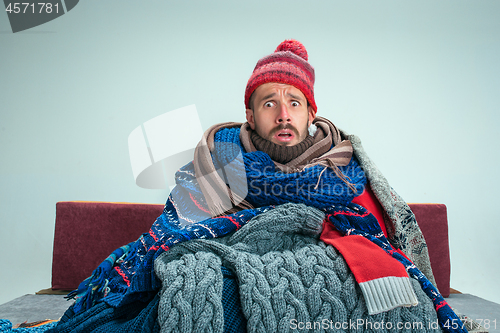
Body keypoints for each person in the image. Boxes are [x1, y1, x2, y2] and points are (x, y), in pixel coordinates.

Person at [48, 40, 466, 333]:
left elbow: (374, 238)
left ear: (310, 114)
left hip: (323, 261)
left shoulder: (344, 169)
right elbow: (175, 233)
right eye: (269, 102)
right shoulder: (218, 158)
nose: (283, 113)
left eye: (294, 102)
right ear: (250, 115)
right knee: (194, 278)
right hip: (233, 258)